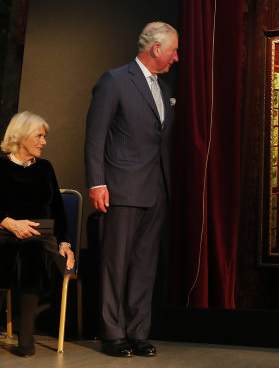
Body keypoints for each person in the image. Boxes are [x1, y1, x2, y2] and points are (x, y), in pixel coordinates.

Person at [84, 21, 178, 358]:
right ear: (156, 49)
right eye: (173, 50)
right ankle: (113, 333)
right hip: (122, 189)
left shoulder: (164, 90)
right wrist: (97, 183)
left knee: (144, 266)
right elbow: (95, 136)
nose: (176, 57)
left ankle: (138, 332)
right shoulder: (114, 81)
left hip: (156, 191)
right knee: (116, 264)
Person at [0, 111, 75, 357]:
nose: (44, 142)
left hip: (40, 235)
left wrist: (65, 242)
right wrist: (8, 222)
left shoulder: (45, 168)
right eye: (39, 136)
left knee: (32, 252)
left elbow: (58, 211)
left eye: (44, 136)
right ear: (21, 136)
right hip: (4, 231)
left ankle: (26, 338)